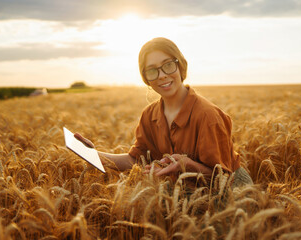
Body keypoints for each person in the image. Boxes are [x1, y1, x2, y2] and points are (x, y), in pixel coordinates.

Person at [75, 37, 253, 187]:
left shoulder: (208, 116)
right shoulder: (149, 115)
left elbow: (222, 178)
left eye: (168, 65)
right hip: (186, 192)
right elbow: (135, 160)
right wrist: (94, 154)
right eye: (152, 70)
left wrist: (186, 165)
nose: (161, 75)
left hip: (231, 191)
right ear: (146, 78)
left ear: (180, 65)